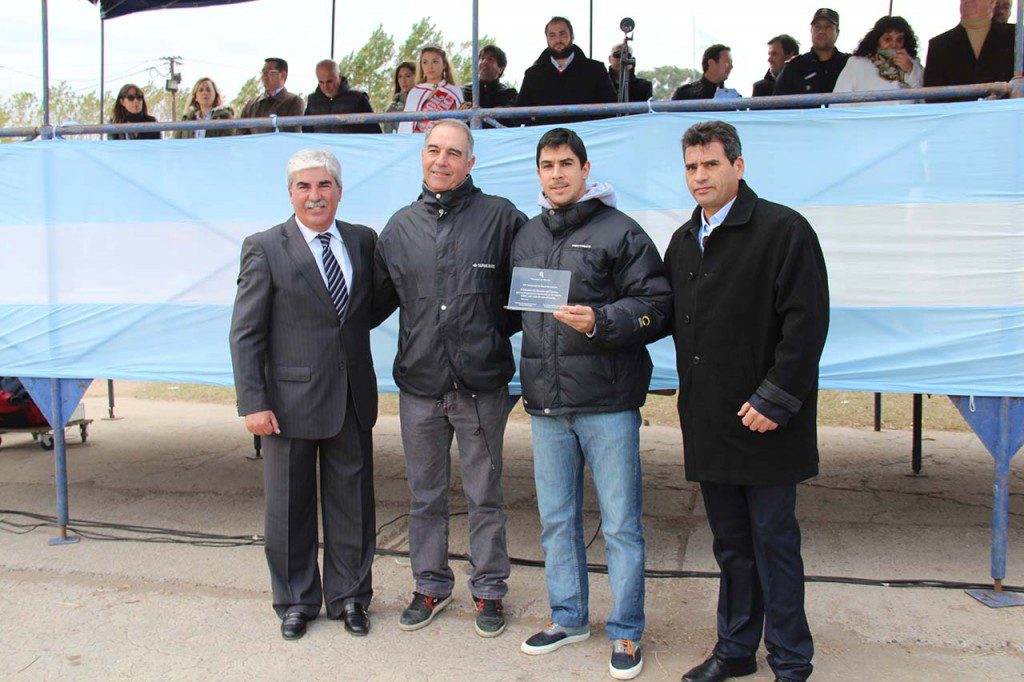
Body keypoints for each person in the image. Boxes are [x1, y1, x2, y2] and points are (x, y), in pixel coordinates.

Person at [665, 121, 829, 682]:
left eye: (711, 164)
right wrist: (603, 319)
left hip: (767, 424)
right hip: (710, 421)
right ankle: (735, 649)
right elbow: (666, 314)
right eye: (691, 167)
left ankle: (790, 658)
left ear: (738, 165)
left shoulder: (784, 230)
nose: (700, 176)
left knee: (774, 544)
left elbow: (806, 325)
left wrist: (775, 399)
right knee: (731, 546)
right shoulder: (684, 241)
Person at [512, 128, 671, 681]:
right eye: (547, 165)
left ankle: (626, 629)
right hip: (547, 403)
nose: (556, 174)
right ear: (538, 172)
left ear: (585, 169)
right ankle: (568, 617)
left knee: (621, 524)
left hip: (607, 402)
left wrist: (602, 321)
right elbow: (515, 308)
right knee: (556, 520)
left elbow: (657, 304)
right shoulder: (527, 234)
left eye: (566, 163)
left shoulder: (620, 231)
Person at [373, 120, 526, 638]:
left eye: (453, 153)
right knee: (425, 496)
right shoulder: (399, 228)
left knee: (485, 495)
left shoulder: (501, 217)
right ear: (422, 155)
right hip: (420, 385)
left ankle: (489, 589)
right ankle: (430, 584)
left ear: (470, 162)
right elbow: (372, 303)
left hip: (480, 386)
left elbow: (530, 292)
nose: (441, 160)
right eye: (433, 150)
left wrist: (487, 333)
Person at [229, 148, 379, 641]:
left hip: (351, 397)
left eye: (324, 185)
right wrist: (253, 401)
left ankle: (351, 597)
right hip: (286, 404)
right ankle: (295, 600)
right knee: (288, 510)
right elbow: (245, 332)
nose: (315, 195)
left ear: (339, 190)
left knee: (353, 506)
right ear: (291, 194)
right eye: (304, 187)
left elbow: (365, 309)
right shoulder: (264, 247)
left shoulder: (363, 240)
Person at [514, 16, 617, 124]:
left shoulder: (595, 70)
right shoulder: (532, 75)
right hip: (546, 134)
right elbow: (519, 114)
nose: (558, 40)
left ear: (572, 36)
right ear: (547, 39)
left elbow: (611, 109)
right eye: (552, 35)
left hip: (587, 134)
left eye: (562, 34)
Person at [924, 0, 1016, 101]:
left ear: (992, 2)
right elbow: (931, 96)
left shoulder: (1016, 36)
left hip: (1009, 110)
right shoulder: (939, 45)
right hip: (958, 111)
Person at [833, 16, 924, 104]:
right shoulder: (857, 63)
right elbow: (838, 102)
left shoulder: (913, 64)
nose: (894, 45)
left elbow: (925, 99)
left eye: (899, 40)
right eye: (888, 39)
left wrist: (911, 70)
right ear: (877, 40)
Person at [773, 8, 849, 97]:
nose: (822, 31)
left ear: (837, 32)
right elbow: (778, 102)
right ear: (811, 30)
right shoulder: (794, 67)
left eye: (828, 27)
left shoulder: (848, 64)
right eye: (817, 26)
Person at [397, 47, 464, 134]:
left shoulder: (454, 90)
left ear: (444, 64)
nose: (430, 66)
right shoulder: (415, 92)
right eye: (425, 62)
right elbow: (406, 126)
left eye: (435, 62)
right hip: (420, 139)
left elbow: (461, 124)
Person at [303, 60, 381, 134]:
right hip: (320, 144)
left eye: (329, 81)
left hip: (351, 144)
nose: (325, 87)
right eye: (321, 82)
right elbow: (306, 131)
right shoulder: (313, 100)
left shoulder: (358, 98)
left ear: (339, 77)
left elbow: (373, 131)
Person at [239, 57, 305, 134]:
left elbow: (291, 133)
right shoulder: (252, 104)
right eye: (263, 72)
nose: (265, 76)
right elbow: (240, 133)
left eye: (270, 72)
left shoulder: (294, 101)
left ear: (283, 75)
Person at [461, 44, 518, 126]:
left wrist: (486, 113)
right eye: (482, 58)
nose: (484, 62)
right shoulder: (464, 91)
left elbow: (513, 122)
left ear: (501, 69)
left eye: (491, 59)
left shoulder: (509, 94)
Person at [382, 61, 415, 134]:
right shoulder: (393, 107)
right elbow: (388, 134)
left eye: (408, 76)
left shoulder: (426, 100)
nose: (403, 80)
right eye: (400, 77)